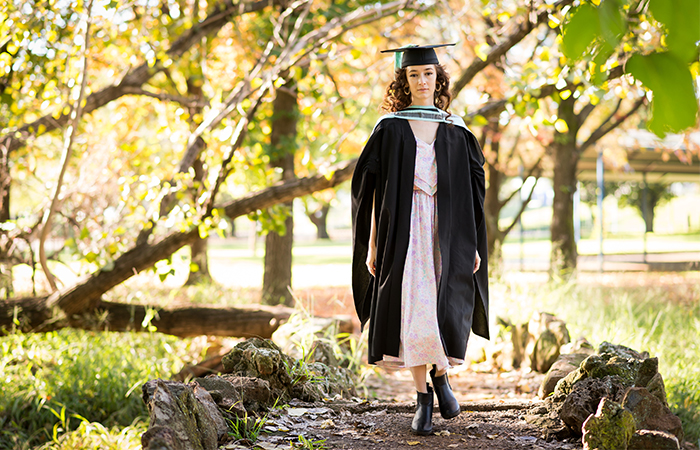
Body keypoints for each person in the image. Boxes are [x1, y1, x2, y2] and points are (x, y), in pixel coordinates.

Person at [351, 43, 490, 435]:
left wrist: (472, 244)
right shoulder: (390, 129)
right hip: (403, 233)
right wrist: (374, 243)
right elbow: (372, 191)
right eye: (414, 75)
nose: (422, 81)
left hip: (444, 233)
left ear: (438, 78)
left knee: (438, 306)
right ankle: (425, 395)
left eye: (428, 74)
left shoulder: (454, 127)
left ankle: (441, 375)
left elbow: (471, 192)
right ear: (404, 81)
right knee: (411, 310)